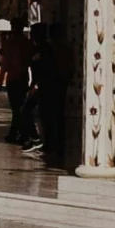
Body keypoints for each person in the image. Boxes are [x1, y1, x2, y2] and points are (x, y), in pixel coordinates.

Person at [29, 22, 71, 169]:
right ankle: (56, 145)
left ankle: (51, 145)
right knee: (56, 115)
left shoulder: (46, 49)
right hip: (58, 85)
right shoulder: (61, 49)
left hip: (49, 86)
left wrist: (37, 85)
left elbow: (44, 68)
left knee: (48, 116)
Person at [0, 24, 34, 145]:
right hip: (22, 78)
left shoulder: (9, 43)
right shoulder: (27, 43)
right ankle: (20, 133)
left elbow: (5, 64)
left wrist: (0, 80)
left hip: (13, 79)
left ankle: (18, 134)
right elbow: (31, 62)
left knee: (16, 108)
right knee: (20, 107)